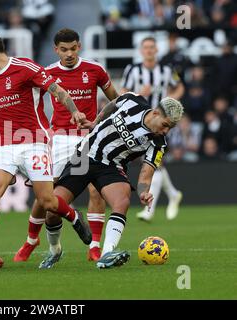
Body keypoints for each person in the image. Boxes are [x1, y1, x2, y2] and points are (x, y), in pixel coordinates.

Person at [0, 31, 91, 268]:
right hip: (4, 142)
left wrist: (74, 110)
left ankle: (74, 217)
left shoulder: (26, 68)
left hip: (34, 141)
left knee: (47, 201)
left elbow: (58, 91)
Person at [39, 92, 184, 269]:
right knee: (52, 209)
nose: (165, 131)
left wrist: (143, 191)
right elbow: (113, 104)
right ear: (155, 113)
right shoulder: (133, 101)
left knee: (122, 201)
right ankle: (55, 250)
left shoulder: (158, 143)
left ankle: (107, 254)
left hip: (111, 167)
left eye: (170, 128)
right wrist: (96, 122)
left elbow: (146, 173)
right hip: (85, 155)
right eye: (165, 125)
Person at [14, 28, 119, 263]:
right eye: (64, 49)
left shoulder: (95, 69)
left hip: (90, 137)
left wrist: (101, 124)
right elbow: (27, 103)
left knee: (96, 189)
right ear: (56, 50)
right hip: (60, 139)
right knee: (47, 196)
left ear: (79, 46)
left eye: (73, 48)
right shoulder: (48, 73)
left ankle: (94, 245)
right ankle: (37, 241)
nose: (69, 53)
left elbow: (116, 100)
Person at [121, 36, 184, 222]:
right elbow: (122, 92)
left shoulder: (167, 70)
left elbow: (179, 87)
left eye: (152, 47)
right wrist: (140, 95)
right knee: (154, 162)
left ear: (156, 50)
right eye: (145, 47)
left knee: (153, 162)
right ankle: (173, 194)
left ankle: (150, 210)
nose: (149, 50)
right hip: (139, 122)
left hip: (160, 123)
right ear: (141, 50)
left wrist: (169, 103)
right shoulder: (132, 70)